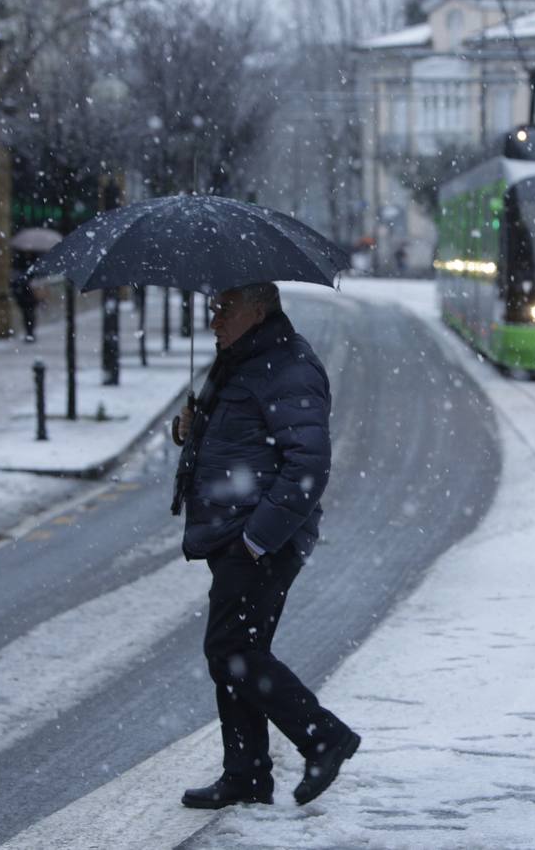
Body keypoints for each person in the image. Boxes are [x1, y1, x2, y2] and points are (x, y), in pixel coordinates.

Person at [171, 282, 359, 810]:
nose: (214, 320)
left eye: (222, 309)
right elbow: (238, 434)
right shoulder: (243, 359)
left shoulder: (287, 365)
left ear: (257, 311)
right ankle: (247, 774)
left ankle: (321, 735)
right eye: (213, 309)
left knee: (230, 650)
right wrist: (188, 428)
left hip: (259, 537)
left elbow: (308, 465)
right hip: (235, 530)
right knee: (238, 652)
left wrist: (257, 540)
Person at [10, 253, 38, 342]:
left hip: (28, 295)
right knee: (28, 315)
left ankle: (30, 333)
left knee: (29, 315)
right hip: (25, 295)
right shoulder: (20, 261)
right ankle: (29, 333)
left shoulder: (30, 260)